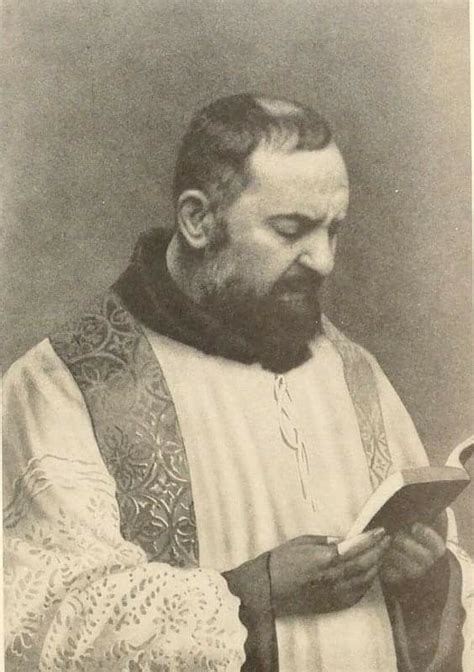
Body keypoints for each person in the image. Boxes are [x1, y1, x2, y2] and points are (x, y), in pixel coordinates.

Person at [3, 94, 472, 672]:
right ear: (198, 220)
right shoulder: (63, 387)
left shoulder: (353, 373)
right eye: (291, 229)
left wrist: (424, 580)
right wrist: (249, 593)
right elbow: (37, 625)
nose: (323, 261)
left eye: (334, 231)